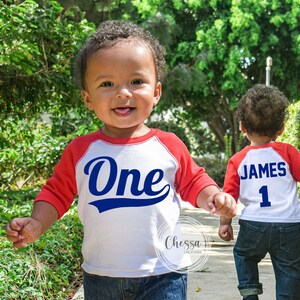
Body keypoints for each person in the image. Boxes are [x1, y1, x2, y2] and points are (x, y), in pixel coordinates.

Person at [6, 20, 237, 300]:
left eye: (136, 81)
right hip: (102, 277)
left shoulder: (168, 145)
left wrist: (213, 196)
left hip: (164, 274)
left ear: (156, 92)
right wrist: (37, 223)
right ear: (88, 98)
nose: (123, 92)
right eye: (107, 83)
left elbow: (193, 181)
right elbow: (56, 193)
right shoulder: (80, 151)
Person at [218, 84, 300, 300]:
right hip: (290, 225)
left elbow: (229, 200)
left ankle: (250, 293)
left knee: (244, 254)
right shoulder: (288, 153)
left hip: (254, 224)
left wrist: (224, 224)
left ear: (243, 127)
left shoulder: (238, 160)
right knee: (290, 268)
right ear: (281, 128)